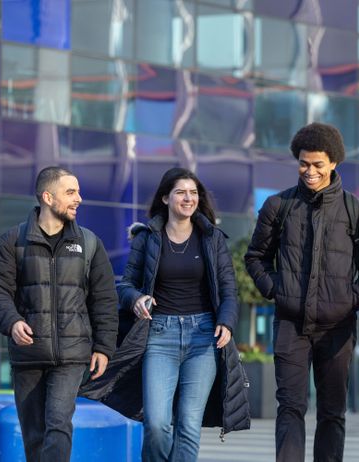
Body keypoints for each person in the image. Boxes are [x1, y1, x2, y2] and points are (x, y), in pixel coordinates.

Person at [245, 122, 359, 461]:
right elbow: (255, 258)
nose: (309, 171)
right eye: (304, 163)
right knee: (290, 407)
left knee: (332, 413)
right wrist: (276, 290)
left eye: (318, 165)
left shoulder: (357, 211)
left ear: (334, 163)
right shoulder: (277, 206)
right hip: (291, 326)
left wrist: (350, 300)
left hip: (336, 329)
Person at [0, 166, 118, 462]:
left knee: (58, 425)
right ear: (47, 197)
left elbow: (105, 299)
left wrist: (104, 348)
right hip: (27, 354)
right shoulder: (12, 242)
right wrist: (12, 321)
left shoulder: (89, 244)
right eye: (71, 192)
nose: (79, 198)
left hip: (72, 356)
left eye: (78, 192)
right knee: (34, 435)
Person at [116, 167, 241, 462]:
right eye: (181, 192)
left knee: (188, 425)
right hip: (160, 336)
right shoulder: (147, 238)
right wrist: (136, 299)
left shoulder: (212, 238)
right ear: (165, 198)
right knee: (157, 424)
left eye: (193, 193)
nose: (188, 198)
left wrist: (227, 322)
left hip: (204, 338)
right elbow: (126, 285)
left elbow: (228, 289)